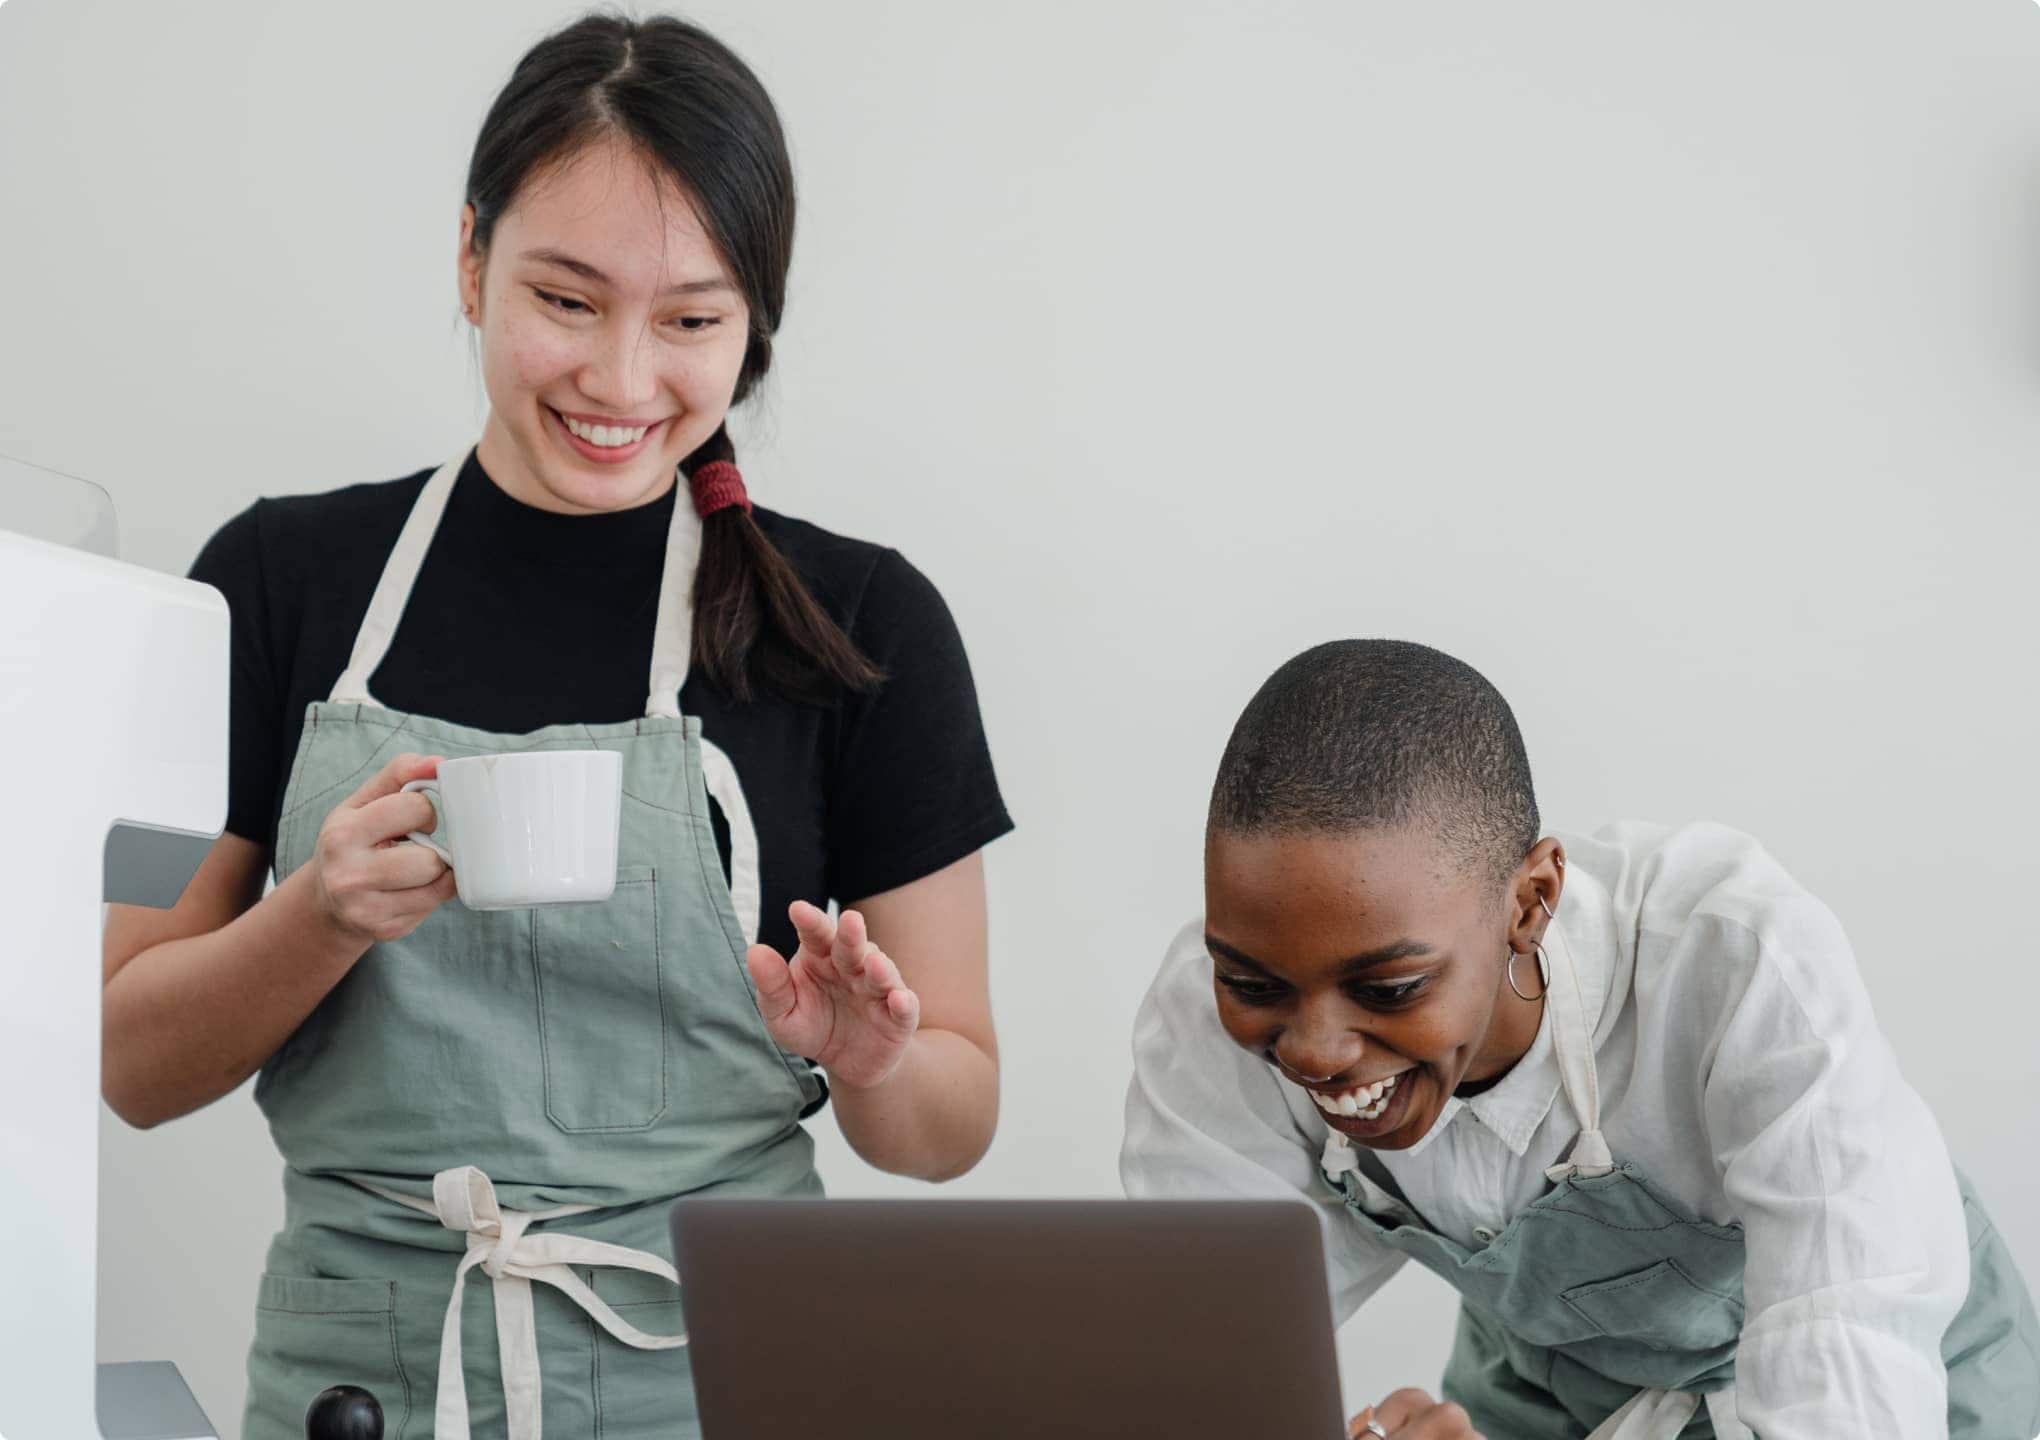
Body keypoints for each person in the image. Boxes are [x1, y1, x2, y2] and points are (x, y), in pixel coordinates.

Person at [100, 14, 1011, 1439]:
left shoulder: (863, 623)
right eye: (569, 301)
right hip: (365, 1394)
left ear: (752, 326)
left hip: (737, 1385)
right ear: (471, 261)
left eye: (691, 321)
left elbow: (956, 1124)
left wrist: (872, 1058)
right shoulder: (270, 584)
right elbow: (125, 1062)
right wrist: (316, 919)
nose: (622, 380)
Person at [1121, 639, 2040, 1440]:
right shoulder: (1203, 1013)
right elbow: (1204, 1364)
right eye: (1254, 985)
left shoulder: (1735, 965)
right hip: (1554, 1382)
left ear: (1531, 903)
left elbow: (1847, 1368)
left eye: (1389, 988)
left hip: (1883, 1365)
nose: (1315, 1052)